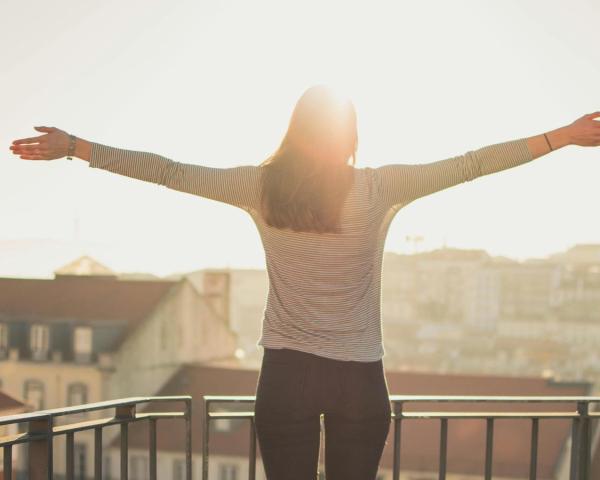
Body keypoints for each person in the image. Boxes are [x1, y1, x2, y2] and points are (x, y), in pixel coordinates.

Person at [9, 85, 600, 480]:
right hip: (358, 378)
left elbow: (170, 172)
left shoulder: (260, 187)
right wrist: (562, 136)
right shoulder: (378, 187)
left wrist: (78, 149)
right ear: (349, 135)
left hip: (287, 375)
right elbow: (469, 163)